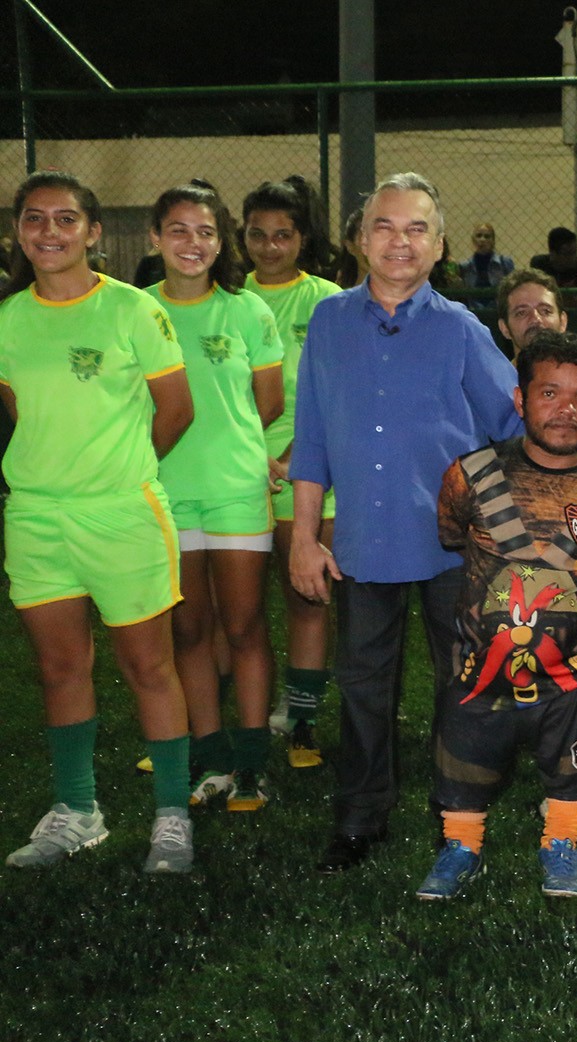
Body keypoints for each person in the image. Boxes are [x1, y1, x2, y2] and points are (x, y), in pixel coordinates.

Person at [290, 172, 523, 874]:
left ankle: (459, 815)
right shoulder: (329, 323)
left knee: (463, 682)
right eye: (385, 227)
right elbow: (312, 437)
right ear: (360, 241)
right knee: (364, 685)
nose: (401, 241)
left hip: (454, 549)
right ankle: (362, 816)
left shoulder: (461, 329)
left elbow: (511, 425)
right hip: (362, 544)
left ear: (439, 244)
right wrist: (304, 535)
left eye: (417, 228)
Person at [0, 170, 196, 874]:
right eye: (33, 219)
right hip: (36, 516)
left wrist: (118, 471)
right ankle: (77, 811)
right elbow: (22, 412)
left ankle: (172, 817)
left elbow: (175, 411)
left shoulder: (133, 312)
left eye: (63, 219)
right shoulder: (7, 318)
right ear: (18, 233)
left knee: (148, 665)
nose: (47, 231)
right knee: (59, 668)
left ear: (90, 231)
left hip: (123, 514)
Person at [417, 329, 577, 900]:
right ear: (520, 400)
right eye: (549, 393)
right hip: (481, 668)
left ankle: (561, 842)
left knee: (574, 767)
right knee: (464, 764)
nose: (566, 410)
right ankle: (460, 847)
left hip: (575, 675)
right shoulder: (469, 474)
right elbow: (451, 535)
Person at [147, 181, 285, 813]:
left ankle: (254, 763)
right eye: (177, 230)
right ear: (155, 239)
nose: (192, 243)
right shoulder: (133, 309)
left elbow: (269, 399)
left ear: (220, 239)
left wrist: (234, 448)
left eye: (204, 231)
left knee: (246, 623)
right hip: (165, 492)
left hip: (235, 490)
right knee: (189, 627)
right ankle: (213, 756)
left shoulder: (248, 309)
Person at [244, 176, 342, 771]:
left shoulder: (327, 300)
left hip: (308, 471)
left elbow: (341, 393)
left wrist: (299, 460)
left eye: (283, 235)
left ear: (302, 239)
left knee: (307, 596)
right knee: (237, 606)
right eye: (258, 234)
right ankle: (233, 718)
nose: (270, 246)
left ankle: (302, 717)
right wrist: (249, 458)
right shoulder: (231, 299)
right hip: (239, 471)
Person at [496, 267, 567, 357]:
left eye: (546, 311)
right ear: (505, 328)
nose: (535, 319)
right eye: (522, 313)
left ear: (563, 322)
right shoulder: (497, 371)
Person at [458, 222, 515, 299]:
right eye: (479, 236)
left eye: (487, 236)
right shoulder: (464, 267)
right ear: (473, 240)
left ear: (493, 241)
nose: (482, 239)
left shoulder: (505, 263)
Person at [529, 226, 577, 292]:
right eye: (567, 254)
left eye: (574, 252)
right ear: (553, 253)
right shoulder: (539, 265)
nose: (572, 257)